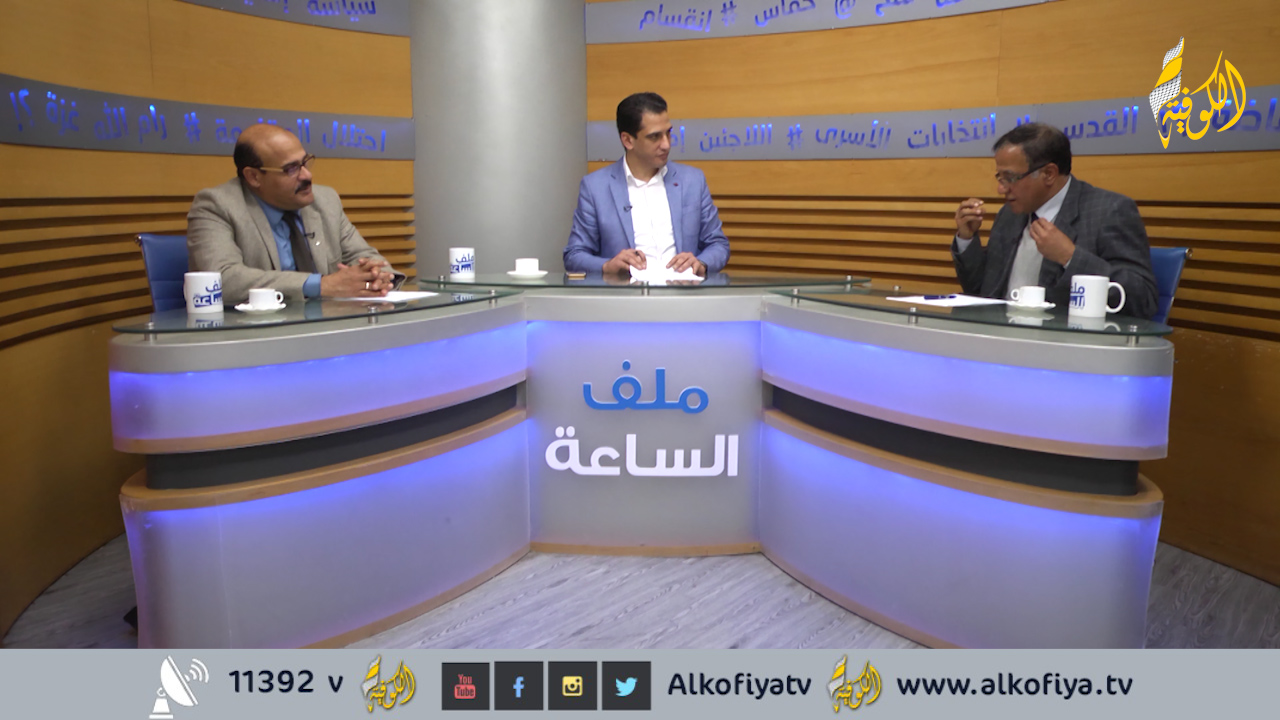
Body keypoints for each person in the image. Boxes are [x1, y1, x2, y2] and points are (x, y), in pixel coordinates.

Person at [952, 122, 1157, 319]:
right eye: (1000, 177)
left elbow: (1143, 300)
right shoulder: (1010, 214)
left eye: (1011, 178)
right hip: (1001, 335)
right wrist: (966, 239)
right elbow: (981, 291)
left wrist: (1070, 257)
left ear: (1049, 174)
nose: (1001, 189)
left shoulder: (1109, 211)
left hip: (1066, 338)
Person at [187, 123, 402, 305]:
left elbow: (366, 257)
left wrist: (376, 277)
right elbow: (222, 280)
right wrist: (321, 285)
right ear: (254, 177)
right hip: (259, 334)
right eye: (291, 169)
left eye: (305, 162)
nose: (307, 175)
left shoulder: (325, 201)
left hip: (330, 325)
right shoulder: (216, 206)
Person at [564, 92, 730, 276]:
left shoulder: (692, 181)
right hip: (626, 292)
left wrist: (701, 263)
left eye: (668, 133)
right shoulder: (595, 187)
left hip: (682, 290)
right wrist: (607, 266)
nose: (666, 145)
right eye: (654, 137)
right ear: (628, 140)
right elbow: (574, 256)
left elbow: (718, 245)